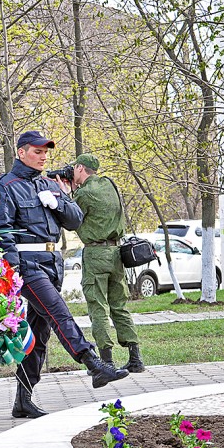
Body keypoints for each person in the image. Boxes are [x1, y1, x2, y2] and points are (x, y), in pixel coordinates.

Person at [0, 131, 129, 420]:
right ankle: (92, 362)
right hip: (27, 264)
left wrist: (59, 200)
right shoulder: (5, 187)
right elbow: (2, 234)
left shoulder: (48, 185)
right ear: (22, 152)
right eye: (38, 151)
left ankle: (23, 400)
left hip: (52, 262)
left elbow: (75, 219)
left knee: (39, 335)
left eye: (46, 151)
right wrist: (11, 274)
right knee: (58, 312)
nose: (43, 156)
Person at [67, 153, 144, 372]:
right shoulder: (110, 185)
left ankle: (106, 361)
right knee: (119, 306)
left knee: (98, 307)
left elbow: (70, 217)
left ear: (81, 168)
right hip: (116, 252)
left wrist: (66, 193)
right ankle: (135, 358)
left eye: (74, 169)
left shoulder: (85, 193)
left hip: (95, 254)